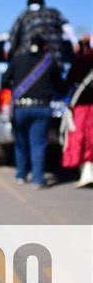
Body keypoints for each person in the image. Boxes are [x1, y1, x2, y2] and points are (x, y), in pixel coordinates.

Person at [1, 34, 63, 188]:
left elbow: (4, 81)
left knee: (21, 143)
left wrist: (16, 89)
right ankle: (37, 179)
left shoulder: (18, 59)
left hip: (21, 108)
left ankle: (21, 175)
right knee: (38, 144)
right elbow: (60, 86)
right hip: (42, 108)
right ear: (45, 47)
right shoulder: (50, 62)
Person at [7, 0, 76, 64]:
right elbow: (67, 27)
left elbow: (12, 36)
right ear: (43, 3)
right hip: (54, 60)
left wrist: (6, 50)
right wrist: (75, 42)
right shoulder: (53, 13)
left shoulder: (23, 16)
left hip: (31, 63)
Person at [61, 36, 93, 187]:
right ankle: (87, 172)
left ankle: (86, 173)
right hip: (84, 107)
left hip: (81, 107)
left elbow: (67, 83)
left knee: (80, 138)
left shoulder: (80, 63)